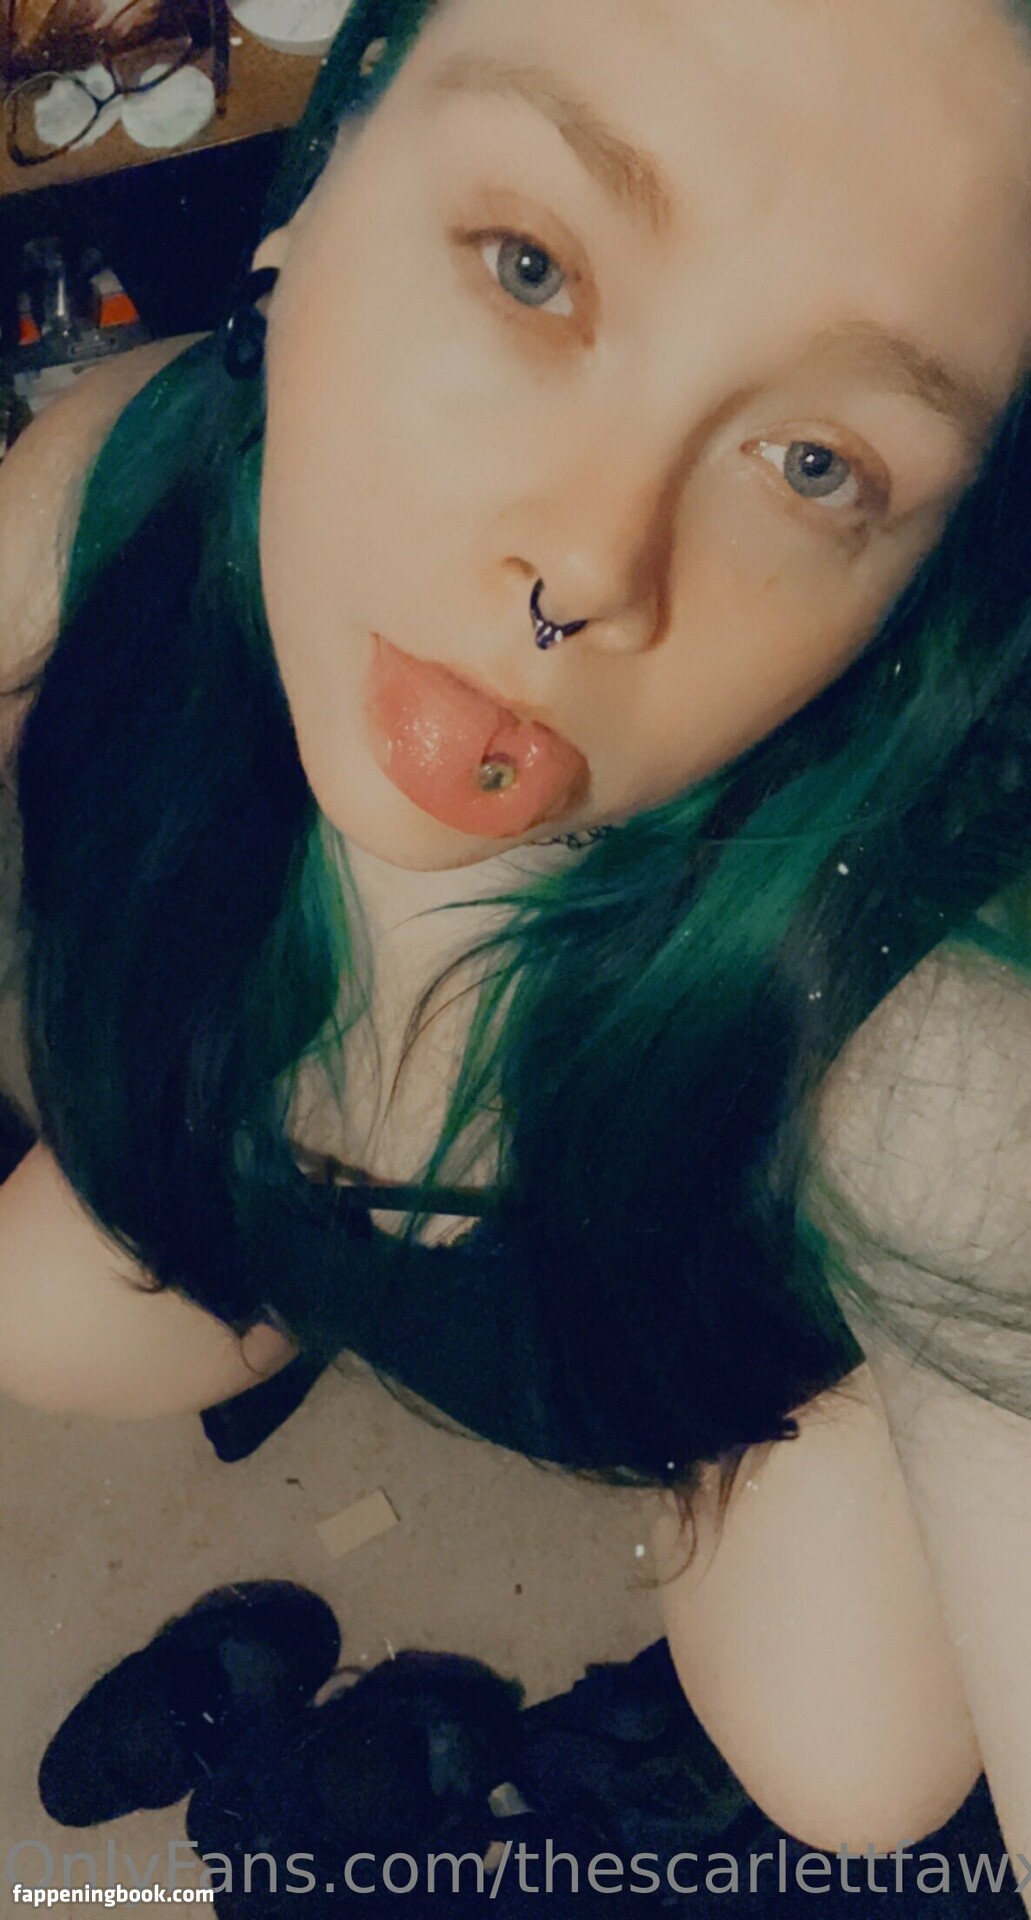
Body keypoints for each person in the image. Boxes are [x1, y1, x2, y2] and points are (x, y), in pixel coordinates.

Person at [0, 0, 1030, 1873]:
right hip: (275, 1193)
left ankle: (751, 1386)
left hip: (667, 1332)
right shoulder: (104, 492)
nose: (584, 568)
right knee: (28, 1319)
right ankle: (303, 1277)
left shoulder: (931, 1059)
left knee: (856, 1778)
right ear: (325, 170)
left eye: (818, 463)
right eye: (532, 265)